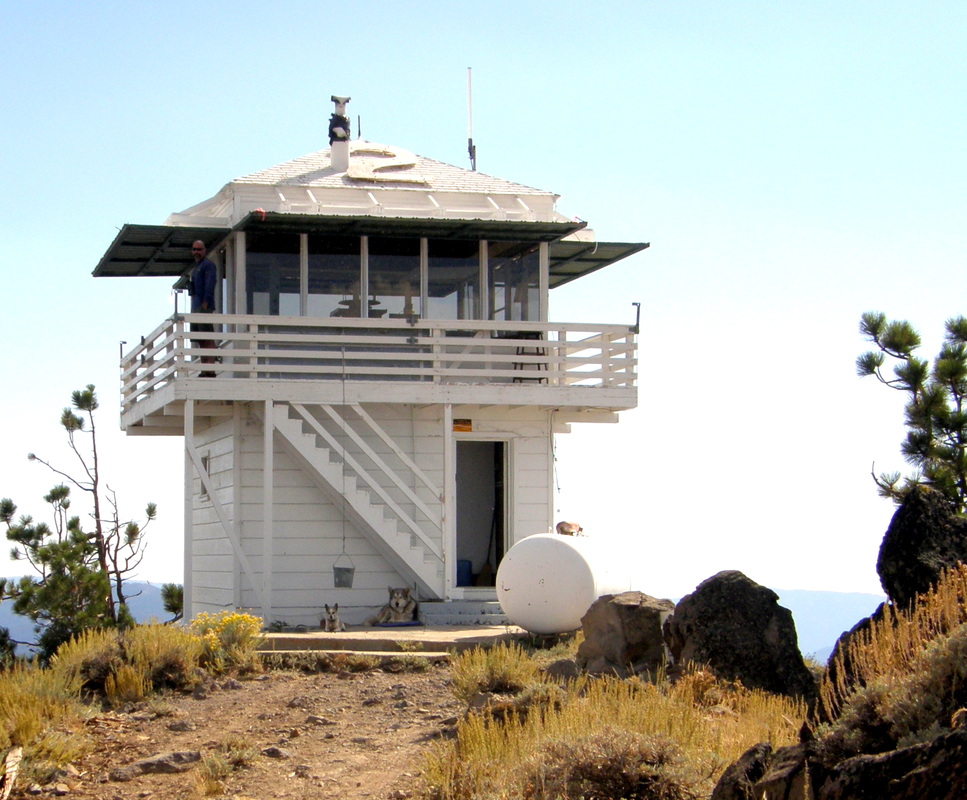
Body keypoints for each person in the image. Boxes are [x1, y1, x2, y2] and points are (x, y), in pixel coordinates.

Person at [188, 240, 218, 377]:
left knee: (207, 336)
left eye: (199, 249)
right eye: (194, 249)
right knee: (200, 338)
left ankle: (210, 368)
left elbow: (210, 284)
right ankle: (204, 368)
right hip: (195, 307)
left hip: (203, 307)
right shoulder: (196, 267)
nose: (196, 252)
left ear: (204, 250)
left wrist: (206, 301)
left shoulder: (208, 265)